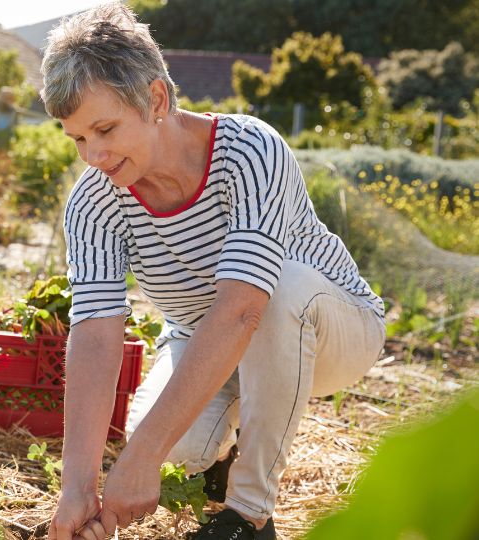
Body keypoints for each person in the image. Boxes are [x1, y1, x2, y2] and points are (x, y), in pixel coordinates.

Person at [40, 4, 385, 540]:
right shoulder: (94, 202)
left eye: (105, 129)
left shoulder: (249, 151)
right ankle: (218, 465)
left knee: (277, 291)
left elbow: (244, 306)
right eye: (79, 138)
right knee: (176, 447)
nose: (95, 155)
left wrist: (140, 458)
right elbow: (95, 332)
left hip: (333, 326)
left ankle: (249, 514)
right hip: (207, 337)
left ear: (155, 99)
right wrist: (79, 485)